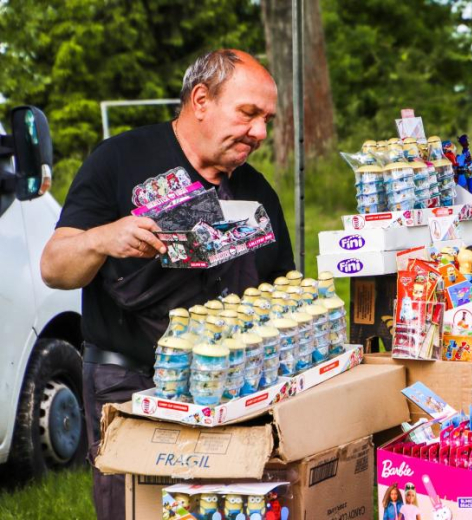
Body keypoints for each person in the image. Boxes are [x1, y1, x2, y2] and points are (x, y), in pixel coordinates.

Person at [40, 49, 295, 520]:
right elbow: (54, 267)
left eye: (266, 120)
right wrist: (102, 238)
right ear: (201, 100)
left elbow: (283, 298)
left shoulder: (258, 194)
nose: (260, 132)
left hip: (230, 393)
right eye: (248, 114)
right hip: (129, 387)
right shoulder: (120, 160)